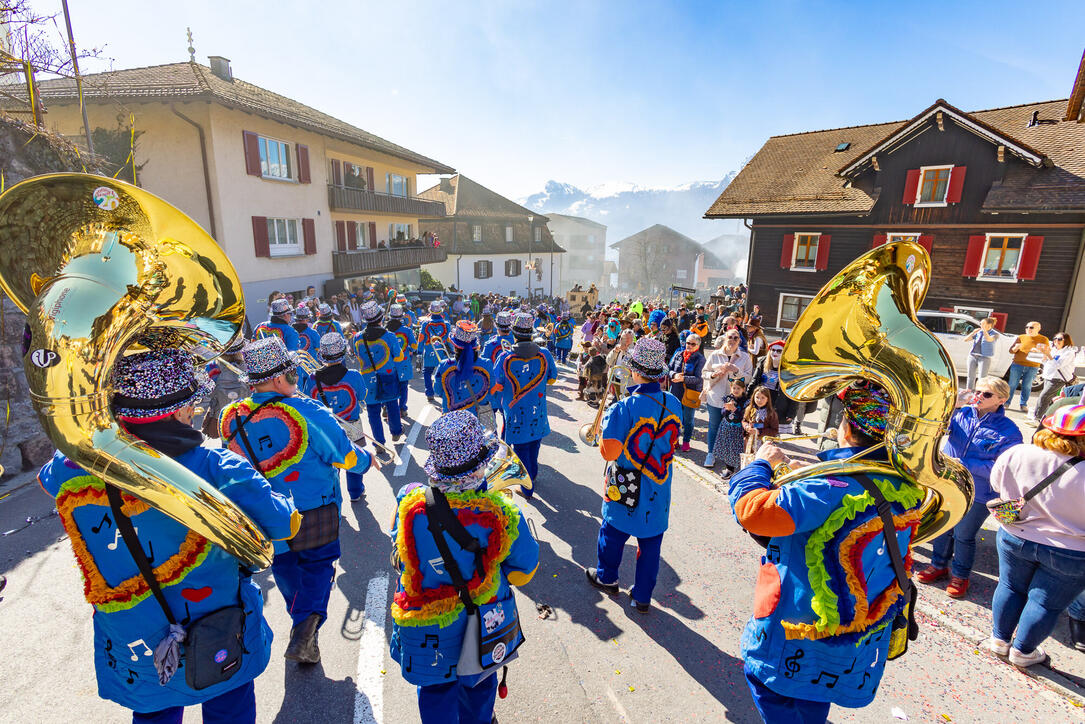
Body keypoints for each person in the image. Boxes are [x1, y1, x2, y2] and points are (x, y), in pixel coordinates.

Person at [38, 349, 298, 723]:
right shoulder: (215, 465)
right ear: (179, 411)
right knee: (229, 707)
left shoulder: (72, 466)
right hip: (215, 623)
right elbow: (283, 524)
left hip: (131, 634)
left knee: (153, 713)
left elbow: (45, 479)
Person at [729, 382, 923, 721]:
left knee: (770, 686)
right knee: (816, 695)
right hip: (855, 633)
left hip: (799, 627)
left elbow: (751, 511)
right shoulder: (909, 487)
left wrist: (761, 465)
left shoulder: (826, 486)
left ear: (846, 430)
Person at [220, 337, 370, 665]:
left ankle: (301, 624)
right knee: (317, 568)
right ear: (278, 378)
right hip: (313, 508)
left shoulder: (230, 416)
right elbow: (344, 456)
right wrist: (366, 460)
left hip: (265, 512)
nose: (295, 379)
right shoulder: (307, 410)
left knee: (285, 568)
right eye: (291, 373)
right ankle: (305, 626)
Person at [388, 411, 540, 724]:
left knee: (434, 692)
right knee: (479, 687)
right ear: (480, 464)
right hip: (481, 622)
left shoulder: (408, 502)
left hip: (426, 625)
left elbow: (400, 558)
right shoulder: (502, 512)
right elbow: (524, 571)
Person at [585, 338, 683, 613]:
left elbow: (609, 452)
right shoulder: (673, 403)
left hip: (626, 485)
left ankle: (607, 577)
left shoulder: (624, 407)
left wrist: (605, 425)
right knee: (651, 543)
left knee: (612, 533)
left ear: (636, 371)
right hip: (659, 486)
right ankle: (642, 597)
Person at [986, 404, 1085, 668]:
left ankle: (999, 640)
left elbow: (997, 485)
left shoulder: (1018, 453)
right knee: (1045, 603)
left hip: (1015, 534)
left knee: (1009, 586)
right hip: (1071, 550)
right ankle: (1023, 651)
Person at [916, 377, 1022, 598]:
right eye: (978, 391)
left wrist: (966, 465)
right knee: (943, 526)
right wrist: (953, 404)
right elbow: (937, 429)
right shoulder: (962, 414)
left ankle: (960, 575)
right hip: (949, 485)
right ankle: (938, 565)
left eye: (987, 394)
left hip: (980, 492)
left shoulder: (1009, 430)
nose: (979, 397)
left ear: (1002, 399)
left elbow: (1005, 466)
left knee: (964, 534)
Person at [491, 313, 557, 496]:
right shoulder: (544, 354)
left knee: (521, 449)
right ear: (531, 332)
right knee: (535, 443)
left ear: (514, 334)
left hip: (515, 413)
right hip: (538, 410)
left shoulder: (505, 358)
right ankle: (532, 475)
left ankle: (527, 488)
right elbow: (553, 378)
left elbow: (497, 384)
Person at [306, 333, 376, 501]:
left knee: (330, 462)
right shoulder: (353, 375)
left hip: (325, 427)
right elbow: (362, 396)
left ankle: (333, 495)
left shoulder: (312, 378)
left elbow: (309, 401)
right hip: (352, 425)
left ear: (322, 356)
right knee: (354, 458)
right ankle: (355, 492)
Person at [353, 301, 406, 454]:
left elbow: (357, 355)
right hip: (387, 374)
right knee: (392, 404)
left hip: (367, 377)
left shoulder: (357, 337)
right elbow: (399, 357)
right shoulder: (389, 336)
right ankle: (396, 431)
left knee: (373, 411)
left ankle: (378, 444)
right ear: (380, 319)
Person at [701, 328, 755, 467]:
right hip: (716, 397)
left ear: (740, 341)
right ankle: (710, 454)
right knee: (714, 426)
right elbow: (704, 372)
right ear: (725, 338)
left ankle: (728, 457)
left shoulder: (744, 357)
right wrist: (713, 375)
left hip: (735, 401)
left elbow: (749, 378)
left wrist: (736, 371)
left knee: (732, 428)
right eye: (730, 337)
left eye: (736, 338)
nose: (732, 340)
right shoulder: (715, 355)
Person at [436, 321, 495, 419]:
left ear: (455, 346)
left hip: (452, 418)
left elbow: (437, 390)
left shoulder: (444, 365)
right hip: (479, 418)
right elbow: (492, 389)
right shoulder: (487, 364)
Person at [751, 340, 799, 433]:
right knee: (758, 426)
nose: (775, 353)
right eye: (773, 350)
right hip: (761, 400)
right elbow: (754, 381)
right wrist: (748, 399)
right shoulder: (763, 362)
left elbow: (793, 392)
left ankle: (770, 443)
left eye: (779, 351)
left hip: (778, 404)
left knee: (772, 431)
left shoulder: (789, 369)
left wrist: (791, 412)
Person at [668, 333, 705, 453]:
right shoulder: (678, 354)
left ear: (698, 345)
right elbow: (668, 369)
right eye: (687, 342)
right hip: (676, 390)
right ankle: (675, 440)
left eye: (692, 344)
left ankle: (686, 441)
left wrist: (683, 379)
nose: (688, 345)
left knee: (688, 419)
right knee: (674, 418)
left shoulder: (700, 359)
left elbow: (699, 379)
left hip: (691, 393)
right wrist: (674, 375)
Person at [1032, 332, 1077, 425]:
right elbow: (1046, 363)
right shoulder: (1054, 350)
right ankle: (1047, 419)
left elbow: (1058, 365)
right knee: (1048, 398)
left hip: (1058, 379)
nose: (1056, 341)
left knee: (1043, 397)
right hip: (1049, 377)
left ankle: (1037, 418)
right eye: (1055, 338)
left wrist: (1048, 355)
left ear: (1066, 341)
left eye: (1059, 339)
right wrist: (1044, 354)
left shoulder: (1069, 352)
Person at [1007, 321, 1050, 413]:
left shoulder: (1043, 339)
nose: (1028, 329)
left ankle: (1023, 405)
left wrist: (1039, 351)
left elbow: (1046, 353)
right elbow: (1011, 351)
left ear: (1038, 329)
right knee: (1012, 384)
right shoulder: (1021, 337)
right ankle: (1006, 403)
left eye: (1031, 327)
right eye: (1027, 327)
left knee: (1027, 386)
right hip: (1017, 364)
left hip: (1033, 366)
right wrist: (1015, 348)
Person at [711, 379, 749, 477]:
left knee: (737, 449)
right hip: (727, 426)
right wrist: (727, 410)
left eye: (738, 388)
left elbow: (744, 416)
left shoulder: (746, 401)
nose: (736, 390)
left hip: (738, 428)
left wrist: (734, 410)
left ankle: (739, 469)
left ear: (743, 389)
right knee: (728, 447)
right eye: (734, 388)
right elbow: (723, 413)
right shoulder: (728, 398)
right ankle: (729, 469)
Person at [386, 303, 419, 420]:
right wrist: (409, 350)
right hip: (403, 362)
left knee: (390, 385)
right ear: (402, 317)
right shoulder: (407, 330)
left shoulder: (384, 330)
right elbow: (415, 346)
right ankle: (402, 408)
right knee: (403, 386)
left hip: (388, 363)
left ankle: (387, 408)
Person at [420, 301, 451, 403]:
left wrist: (419, 351)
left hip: (429, 351)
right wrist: (454, 351)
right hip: (441, 351)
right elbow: (449, 340)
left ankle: (429, 393)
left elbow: (421, 338)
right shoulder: (446, 324)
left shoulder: (425, 323)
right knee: (443, 372)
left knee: (427, 372)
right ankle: (442, 392)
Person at [963, 317, 999, 391]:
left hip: (984, 358)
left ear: (989, 325)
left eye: (983, 323)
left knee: (982, 378)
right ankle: (968, 393)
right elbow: (966, 340)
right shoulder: (979, 332)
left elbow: (989, 339)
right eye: (980, 323)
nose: (980, 325)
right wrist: (973, 332)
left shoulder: (995, 334)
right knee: (970, 376)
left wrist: (985, 330)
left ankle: (979, 393)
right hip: (972, 355)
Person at [742, 385, 779, 450]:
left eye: (763, 398)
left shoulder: (771, 413)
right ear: (753, 397)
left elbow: (774, 430)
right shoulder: (749, 409)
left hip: (763, 443)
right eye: (757, 397)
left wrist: (759, 432)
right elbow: (744, 421)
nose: (759, 400)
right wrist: (747, 427)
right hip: (749, 441)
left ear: (767, 399)